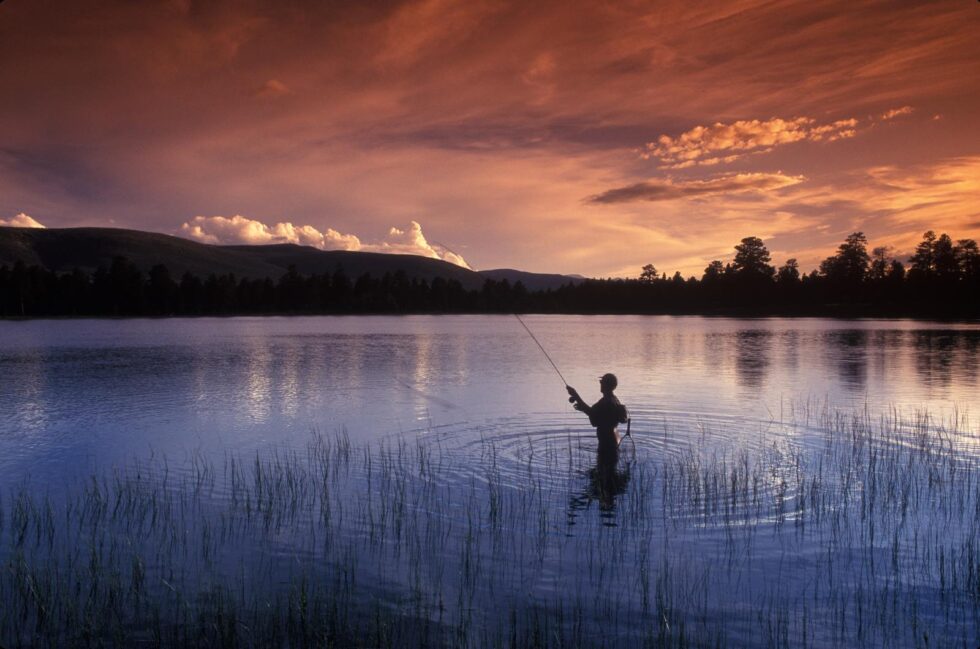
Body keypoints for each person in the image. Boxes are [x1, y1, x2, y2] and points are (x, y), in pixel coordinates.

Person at [566, 373, 628, 452]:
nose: (600, 384)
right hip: (612, 439)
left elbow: (592, 413)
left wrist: (575, 394)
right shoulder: (613, 399)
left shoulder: (607, 402)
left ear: (607, 385)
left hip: (607, 441)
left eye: (602, 382)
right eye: (600, 382)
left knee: (604, 463)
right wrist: (582, 406)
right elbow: (594, 413)